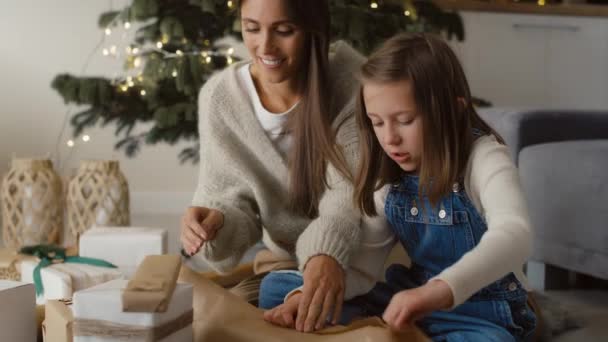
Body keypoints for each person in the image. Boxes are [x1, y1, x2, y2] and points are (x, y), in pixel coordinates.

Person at [179, 0, 365, 332]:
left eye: (283, 30)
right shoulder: (220, 99)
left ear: (313, 31)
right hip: (280, 265)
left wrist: (327, 255)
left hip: (359, 258)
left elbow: (348, 194)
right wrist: (215, 220)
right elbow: (231, 201)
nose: (265, 46)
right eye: (251, 28)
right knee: (219, 324)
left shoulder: (351, 87)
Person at [352, 33, 537, 341]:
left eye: (404, 120)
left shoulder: (484, 158)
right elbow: (363, 266)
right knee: (281, 288)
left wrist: (438, 292)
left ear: (453, 110)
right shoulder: (389, 177)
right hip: (411, 299)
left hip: (483, 313)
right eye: (377, 122)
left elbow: (516, 235)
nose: (390, 138)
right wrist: (315, 293)